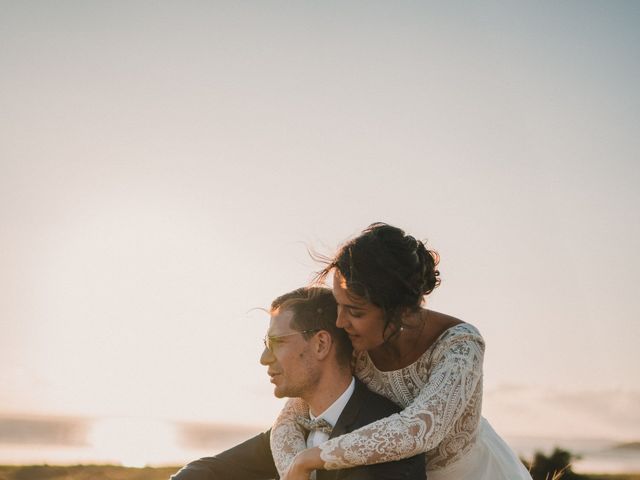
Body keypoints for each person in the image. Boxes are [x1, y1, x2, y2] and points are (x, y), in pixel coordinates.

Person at [271, 223, 533, 480]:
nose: (340, 322)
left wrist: (315, 457)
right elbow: (290, 418)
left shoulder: (460, 345)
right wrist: (295, 470)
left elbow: (420, 429)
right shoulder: (356, 340)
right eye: (339, 305)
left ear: (401, 311)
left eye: (355, 312)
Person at [170, 286, 425, 480]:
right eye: (265, 345)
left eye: (276, 343)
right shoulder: (292, 430)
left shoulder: (388, 439)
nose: (264, 359)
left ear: (321, 344)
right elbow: (208, 470)